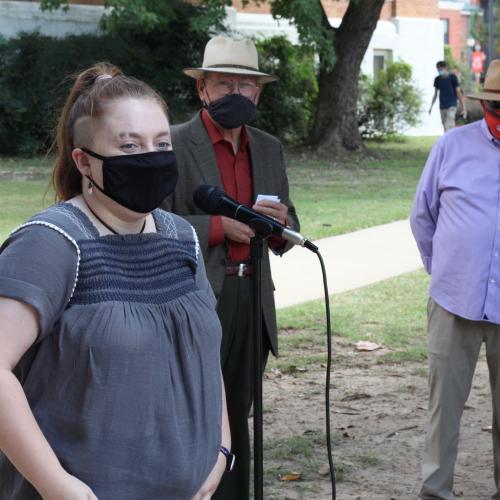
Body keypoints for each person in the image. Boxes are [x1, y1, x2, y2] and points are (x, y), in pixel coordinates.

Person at [0, 62, 230, 500]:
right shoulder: (52, 243)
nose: (151, 157)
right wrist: (58, 486)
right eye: (130, 146)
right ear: (84, 162)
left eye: (161, 143)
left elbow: (204, 351)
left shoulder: (180, 236)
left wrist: (220, 449)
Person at [161, 36, 300, 499]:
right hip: (195, 297)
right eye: (224, 84)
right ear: (202, 88)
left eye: (246, 85)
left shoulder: (268, 147)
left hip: (252, 298)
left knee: (237, 411)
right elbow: (151, 223)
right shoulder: (173, 142)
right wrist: (219, 227)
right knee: (192, 410)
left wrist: (278, 227)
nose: (236, 94)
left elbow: (287, 224)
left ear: (259, 93)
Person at [411, 59, 500, 499]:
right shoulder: (451, 147)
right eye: (496, 107)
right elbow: (422, 216)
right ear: (484, 104)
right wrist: (445, 268)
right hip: (453, 299)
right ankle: (435, 492)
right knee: (443, 409)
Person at [428, 60, 467, 132]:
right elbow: (435, 94)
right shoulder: (437, 79)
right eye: (438, 69)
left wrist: (463, 108)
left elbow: (458, 92)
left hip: (452, 105)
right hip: (442, 106)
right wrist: (431, 107)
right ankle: (449, 141)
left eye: (440, 69)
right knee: (445, 127)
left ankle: (450, 142)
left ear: (446, 68)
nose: (439, 71)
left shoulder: (452, 77)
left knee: (448, 125)